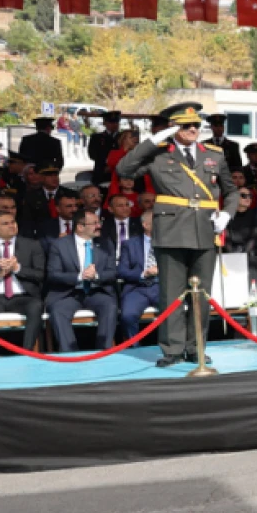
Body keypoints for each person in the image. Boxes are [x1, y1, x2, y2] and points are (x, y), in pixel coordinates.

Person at [115, 101, 240, 367]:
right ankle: (172, 349)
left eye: (196, 125)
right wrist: (152, 140)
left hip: (204, 230)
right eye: (186, 125)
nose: (193, 129)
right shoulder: (159, 153)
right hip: (171, 230)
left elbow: (230, 190)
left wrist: (227, 214)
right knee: (171, 293)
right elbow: (124, 169)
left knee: (201, 294)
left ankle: (196, 347)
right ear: (174, 128)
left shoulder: (214, 155)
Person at [42, 206, 118, 352]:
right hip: (68, 293)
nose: (99, 226)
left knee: (110, 306)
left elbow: (113, 273)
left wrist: (96, 276)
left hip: (97, 291)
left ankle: (104, 352)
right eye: (94, 223)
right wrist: (79, 276)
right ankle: (70, 354)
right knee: (58, 311)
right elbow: (53, 274)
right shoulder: (59, 245)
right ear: (80, 227)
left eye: (99, 222)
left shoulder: (105, 243)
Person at [0, 209, 45, 349]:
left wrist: (17, 268)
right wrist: (0, 274)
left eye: (13, 222)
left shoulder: (32, 245)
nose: (11, 226)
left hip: (22, 297)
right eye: (5, 223)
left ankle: (27, 352)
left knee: (36, 305)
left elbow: (41, 275)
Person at [111, 205, 160, 341]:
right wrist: (143, 274)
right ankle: (134, 348)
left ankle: (170, 347)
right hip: (137, 288)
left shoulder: (169, 243)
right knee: (128, 315)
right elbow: (121, 271)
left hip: (161, 286)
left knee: (173, 313)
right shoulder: (130, 244)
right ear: (145, 225)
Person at [88, 111, 121, 187]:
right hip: (101, 173)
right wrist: (107, 162)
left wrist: (113, 165)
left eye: (116, 122)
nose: (114, 125)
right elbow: (92, 154)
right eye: (111, 122)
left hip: (119, 173)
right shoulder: (96, 137)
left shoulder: (123, 137)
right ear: (105, 123)